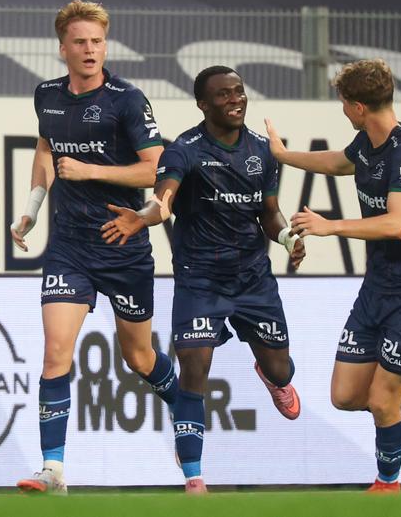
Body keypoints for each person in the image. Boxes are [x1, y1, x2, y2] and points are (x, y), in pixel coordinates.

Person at [101, 66, 306, 494]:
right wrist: (141, 219)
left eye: (239, 92)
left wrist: (288, 239)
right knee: (195, 370)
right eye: (224, 95)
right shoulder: (184, 151)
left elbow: (268, 213)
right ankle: (194, 477)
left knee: (281, 368)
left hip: (253, 280)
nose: (235, 100)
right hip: (200, 279)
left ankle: (273, 379)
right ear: (203, 104)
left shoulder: (263, 152)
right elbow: (163, 202)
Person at [9, 0, 178, 494]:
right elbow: (46, 147)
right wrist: (34, 208)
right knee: (56, 352)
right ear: (62, 48)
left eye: (97, 41)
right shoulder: (46, 96)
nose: (90, 50)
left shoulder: (127, 99)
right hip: (69, 247)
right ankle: (53, 469)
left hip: (122, 242)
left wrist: (92, 171)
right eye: (80, 42)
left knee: (139, 358)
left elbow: (158, 167)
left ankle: (185, 401)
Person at [264, 58, 401, 493]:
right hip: (378, 289)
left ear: (357, 107)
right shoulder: (367, 141)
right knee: (347, 396)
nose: (343, 110)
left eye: (343, 104)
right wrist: (283, 155)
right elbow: (339, 163)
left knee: (383, 400)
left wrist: (331, 226)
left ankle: (387, 486)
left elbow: (396, 223)